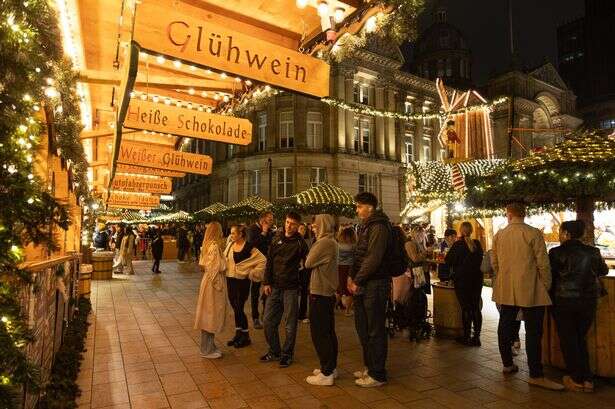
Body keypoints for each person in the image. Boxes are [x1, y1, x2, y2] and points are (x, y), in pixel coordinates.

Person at [492, 202, 563, 390]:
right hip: (530, 288)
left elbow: (495, 263)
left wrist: (503, 280)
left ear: (508, 215)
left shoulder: (499, 235)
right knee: (533, 332)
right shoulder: (533, 233)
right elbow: (543, 263)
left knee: (505, 326)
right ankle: (535, 374)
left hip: (507, 288)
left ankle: (507, 364)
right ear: (524, 214)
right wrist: (545, 286)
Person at [549, 220, 609, 392]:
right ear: (582, 234)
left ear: (566, 233)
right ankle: (588, 379)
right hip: (587, 301)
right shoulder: (593, 252)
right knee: (580, 338)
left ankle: (576, 378)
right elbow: (603, 271)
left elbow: (549, 276)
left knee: (569, 340)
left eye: (561, 232)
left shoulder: (556, 252)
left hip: (563, 301)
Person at [348, 192, 391, 388]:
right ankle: (370, 366)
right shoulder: (366, 226)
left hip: (375, 283)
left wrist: (358, 279)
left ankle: (378, 373)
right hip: (365, 283)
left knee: (375, 329)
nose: (356, 210)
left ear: (370, 207)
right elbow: (358, 254)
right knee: (363, 328)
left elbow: (373, 257)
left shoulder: (379, 226)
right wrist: (351, 275)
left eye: (359, 206)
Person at [260, 212, 309, 368]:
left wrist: (302, 284)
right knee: (268, 321)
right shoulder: (276, 238)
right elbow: (269, 262)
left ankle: (287, 354)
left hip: (291, 289)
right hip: (274, 287)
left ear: (298, 225)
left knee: (290, 324)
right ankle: (275, 350)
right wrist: (266, 282)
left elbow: (307, 263)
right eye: (288, 222)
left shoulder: (300, 243)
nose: (289, 225)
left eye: (293, 223)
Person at [304, 214, 340, 386]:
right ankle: (330, 367)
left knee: (320, 333)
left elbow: (308, 262)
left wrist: (314, 244)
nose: (312, 227)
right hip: (327, 292)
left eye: (315, 224)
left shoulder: (324, 242)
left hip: (320, 292)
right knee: (328, 332)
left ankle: (327, 373)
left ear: (322, 225)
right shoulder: (331, 241)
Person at [224, 225, 266, 348]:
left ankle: (246, 336)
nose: (231, 236)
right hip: (230, 279)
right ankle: (238, 333)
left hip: (242, 282)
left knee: (239, 307)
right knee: (234, 306)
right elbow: (225, 257)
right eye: (231, 233)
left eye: (233, 233)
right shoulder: (230, 245)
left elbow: (262, 260)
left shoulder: (249, 247)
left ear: (240, 234)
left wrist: (252, 272)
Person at [445, 222, 484, 346]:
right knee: (476, 307)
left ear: (461, 231)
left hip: (462, 279)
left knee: (466, 307)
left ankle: (466, 336)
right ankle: (477, 337)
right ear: (471, 231)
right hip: (477, 279)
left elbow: (448, 260)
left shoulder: (458, 245)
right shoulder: (477, 244)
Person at [194, 222, 227, 359]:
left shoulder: (208, 245)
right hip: (213, 285)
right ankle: (206, 349)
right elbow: (214, 269)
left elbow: (203, 264)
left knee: (208, 315)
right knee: (210, 315)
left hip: (208, 283)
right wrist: (219, 286)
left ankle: (209, 346)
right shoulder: (214, 246)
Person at [482, 249, 522, 356]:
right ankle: (515, 339)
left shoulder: (492, 252)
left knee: (504, 319)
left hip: (500, 288)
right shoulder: (518, 249)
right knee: (516, 315)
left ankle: (508, 352)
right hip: (517, 287)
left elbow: (484, 268)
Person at [247, 211, 275, 329]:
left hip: (267, 264)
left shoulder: (269, 230)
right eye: (270, 218)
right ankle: (255, 317)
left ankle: (265, 313)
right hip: (256, 265)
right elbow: (252, 245)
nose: (272, 221)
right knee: (255, 290)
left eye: (272, 219)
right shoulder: (252, 229)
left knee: (268, 288)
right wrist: (263, 232)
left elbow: (269, 245)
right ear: (263, 220)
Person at [336, 226, 356, 316]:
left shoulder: (338, 244)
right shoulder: (353, 245)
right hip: (349, 268)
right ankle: (347, 311)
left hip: (339, 267)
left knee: (339, 289)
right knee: (349, 291)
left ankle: (333, 307)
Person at [298, 223, 314, 323]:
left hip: (304, 269)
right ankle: (298, 313)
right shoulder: (297, 240)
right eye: (300, 228)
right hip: (298, 269)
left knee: (304, 291)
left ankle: (302, 313)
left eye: (304, 229)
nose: (302, 231)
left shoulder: (306, 241)